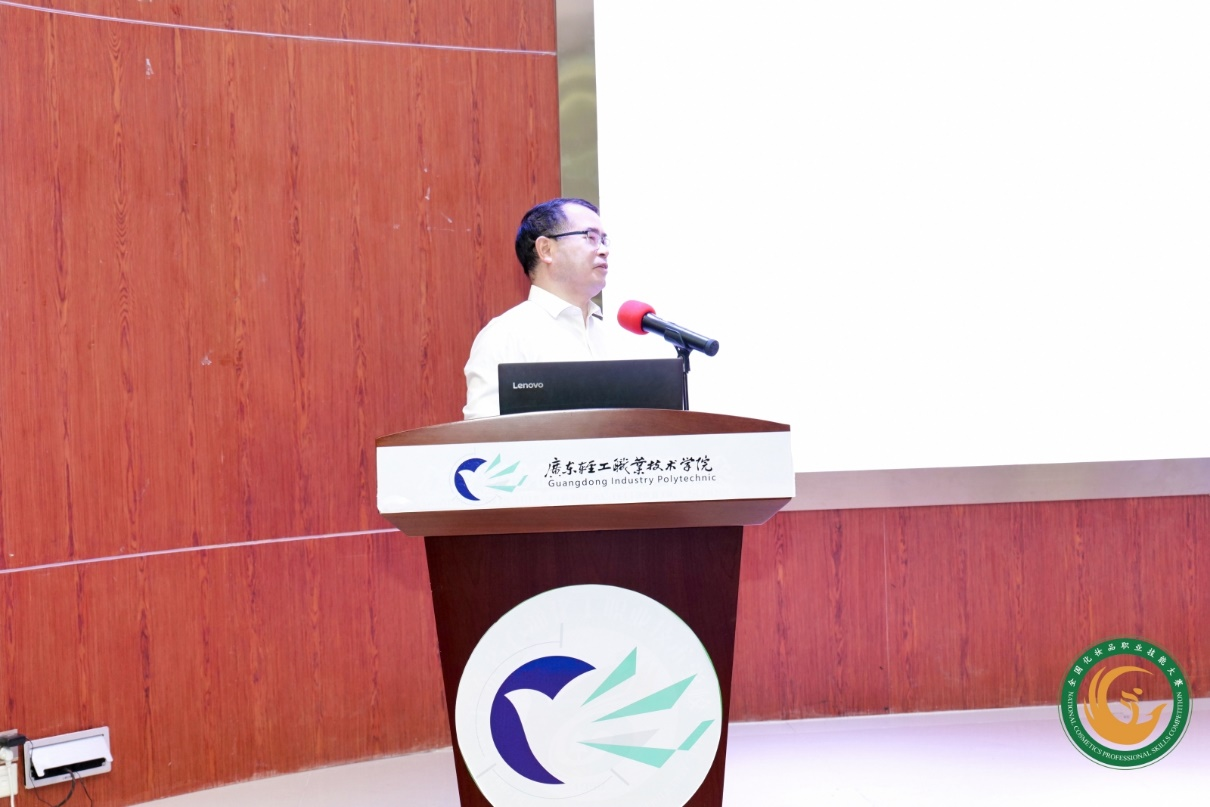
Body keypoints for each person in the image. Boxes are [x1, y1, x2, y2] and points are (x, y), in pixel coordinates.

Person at [463, 197, 617, 419]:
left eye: (603, 240)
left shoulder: (610, 335)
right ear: (546, 249)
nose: (603, 250)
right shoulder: (505, 335)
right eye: (590, 237)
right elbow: (483, 432)